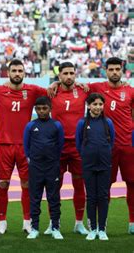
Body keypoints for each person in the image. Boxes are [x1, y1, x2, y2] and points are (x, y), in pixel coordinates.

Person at [0, 59, 47, 234]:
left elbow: (52, 93)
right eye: (14, 71)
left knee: (27, 184)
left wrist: (56, 82)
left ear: (24, 73)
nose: (17, 74)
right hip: (5, 145)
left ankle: (27, 221)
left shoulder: (33, 90)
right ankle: (2, 222)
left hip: (26, 146)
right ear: (8, 73)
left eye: (20, 70)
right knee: (3, 183)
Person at [88, 57, 134, 233]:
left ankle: (132, 223)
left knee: (132, 183)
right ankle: (101, 226)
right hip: (106, 148)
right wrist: (55, 85)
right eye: (111, 69)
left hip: (128, 146)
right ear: (105, 71)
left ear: (122, 70)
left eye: (117, 69)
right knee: (104, 185)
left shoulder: (130, 91)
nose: (115, 72)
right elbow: (73, 86)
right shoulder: (97, 88)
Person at [49, 62, 90, 235]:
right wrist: (53, 84)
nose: (68, 76)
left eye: (71, 73)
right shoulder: (51, 91)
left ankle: (79, 223)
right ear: (59, 76)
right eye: (65, 73)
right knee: (54, 186)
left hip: (77, 147)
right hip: (57, 146)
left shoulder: (84, 90)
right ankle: (53, 223)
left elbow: (108, 85)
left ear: (76, 74)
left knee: (79, 184)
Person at [23, 96, 65, 240]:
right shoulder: (30, 126)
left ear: (50, 109)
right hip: (36, 167)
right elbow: (26, 146)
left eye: (44, 108)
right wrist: (33, 160)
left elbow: (60, 145)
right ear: (35, 109)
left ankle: (55, 227)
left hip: (52, 167)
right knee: (35, 198)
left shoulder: (57, 125)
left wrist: (52, 159)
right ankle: (34, 228)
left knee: (54, 198)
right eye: (38, 109)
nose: (41, 111)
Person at [76, 93, 115, 241]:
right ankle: (92, 229)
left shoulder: (108, 123)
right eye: (95, 104)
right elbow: (79, 144)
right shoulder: (82, 123)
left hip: (104, 165)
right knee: (91, 197)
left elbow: (111, 142)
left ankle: (102, 229)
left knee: (103, 197)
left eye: (100, 104)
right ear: (88, 105)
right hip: (88, 165)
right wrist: (88, 155)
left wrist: (104, 154)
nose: (98, 107)